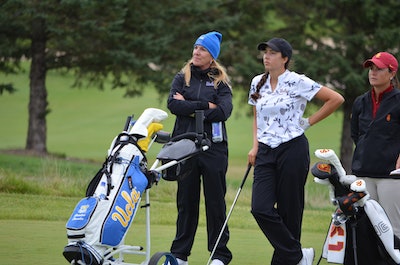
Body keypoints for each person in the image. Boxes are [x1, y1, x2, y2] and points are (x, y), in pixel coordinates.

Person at [247, 37, 344, 265]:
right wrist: (255, 145)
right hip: (266, 152)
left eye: (272, 53)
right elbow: (257, 116)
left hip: (292, 149)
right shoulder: (256, 82)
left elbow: (335, 99)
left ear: (285, 58)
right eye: (265, 52)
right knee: (259, 208)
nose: (266, 56)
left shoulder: (297, 81)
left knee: (290, 211)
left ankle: (287, 260)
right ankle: (298, 255)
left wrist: (308, 122)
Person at [167, 31, 233, 265]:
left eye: (202, 49)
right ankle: (180, 254)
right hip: (185, 146)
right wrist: (205, 105)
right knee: (186, 201)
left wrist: (190, 106)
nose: (196, 52)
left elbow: (224, 111)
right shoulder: (182, 77)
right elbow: (173, 105)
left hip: (213, 148)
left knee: (215, 202)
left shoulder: (220, 81)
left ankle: (219, 255)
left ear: (211, 55)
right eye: (195, 47)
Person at [351, 51, 400, 239]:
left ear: (391, 73)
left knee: (393, 229)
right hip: (363, 174)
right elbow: (356, 134)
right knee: (366, 228)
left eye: (379, 69)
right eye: (371, 68)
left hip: (391, 176)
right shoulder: (360, 102)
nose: (373, 72)